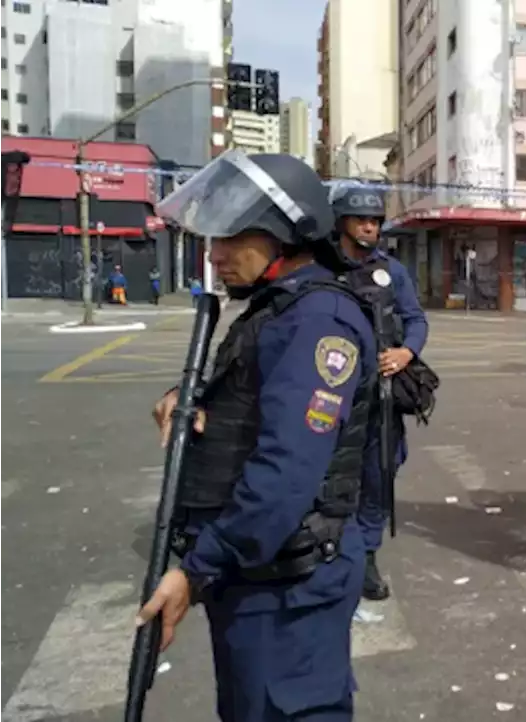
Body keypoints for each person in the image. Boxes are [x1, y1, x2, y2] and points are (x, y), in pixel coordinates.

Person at [137, 150, 377, 722]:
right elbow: (252, 397)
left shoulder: (318, 320)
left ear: (289, 235)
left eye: (233, 237)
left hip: (289, 583)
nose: (215, 254)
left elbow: (286, 471)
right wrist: (193, 401)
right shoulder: (276, 310)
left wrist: (196, 570)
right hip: (257, 575)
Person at [329, 184, 429, 601]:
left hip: (381, 394)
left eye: (374, 220)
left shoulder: (392, 271)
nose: (369, 227)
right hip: (332, 392)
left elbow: (416, 319)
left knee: (379, 475)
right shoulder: (321, 267)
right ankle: (330, 552)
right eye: (361, 220)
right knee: (330, 477)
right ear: (341, 223)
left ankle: (366, 555)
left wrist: (406, 352)